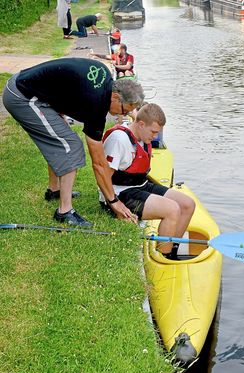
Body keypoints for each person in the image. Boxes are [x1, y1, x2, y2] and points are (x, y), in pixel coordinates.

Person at [2, 58, 144, 227]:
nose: (119, 115)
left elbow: (68, 83)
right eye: (123, 110)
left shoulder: (104, 75)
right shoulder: (97, 103)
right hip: (22, 96)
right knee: (71, 146)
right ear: (115, 96)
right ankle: (64, 211)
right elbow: (98, 163)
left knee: (59, 135)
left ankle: (54, 190)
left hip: (29, 87)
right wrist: (114, 201)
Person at [99, 103, 195, 259]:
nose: (155, 137)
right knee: (172, 209)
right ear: (141, 124)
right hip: (120, 192)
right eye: (154, 132)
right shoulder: (119, 139)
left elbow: (137, 117)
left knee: (187, 205)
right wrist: (114, 203)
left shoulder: (141, 131)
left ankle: (170, 250)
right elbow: (102, 176)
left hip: (140, 185)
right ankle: (164, 258)